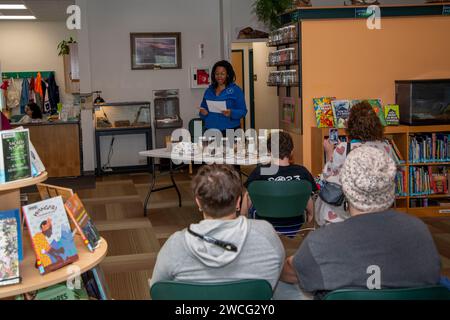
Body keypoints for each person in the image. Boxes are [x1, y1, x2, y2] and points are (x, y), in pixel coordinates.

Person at [281, 146, 441, 299]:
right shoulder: (420, 232)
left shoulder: (322, 240)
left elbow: (288, 273)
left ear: (346, 187)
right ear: (391, 187)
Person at [150, 164, 285, 291]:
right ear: (238, 201)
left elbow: (158, 289)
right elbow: (276, 276)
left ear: (198, 202)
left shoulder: (176, 244)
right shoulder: (266, 234)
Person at [315, 100, 395, 226]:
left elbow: (327, 175)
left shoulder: (343, 148)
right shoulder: (385, 147)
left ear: (351, 125)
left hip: (346, 210)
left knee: (324, 199)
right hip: (375, 205)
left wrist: (329, 152)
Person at [241, 131, 318, 237]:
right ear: (291, 151)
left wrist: (242, 220)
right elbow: (311, 206)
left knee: (248, 194)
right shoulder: (302, 172)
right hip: (296, 224)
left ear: (269, 151)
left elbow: (247, 200)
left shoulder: (260, 172)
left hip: (264, 225)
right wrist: (310, 220)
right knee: (308, 196)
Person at [199, 60, 247, 136]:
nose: (219, 76)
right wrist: (203, 112)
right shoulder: (209, 91)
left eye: (222, 74)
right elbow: (203, 108)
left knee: (231, 148)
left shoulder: (236, 90)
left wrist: (231, 113)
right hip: (210, 130)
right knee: (209, 148)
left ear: (227, 74)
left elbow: (243, 111)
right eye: (217, 74)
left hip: (230, 130)